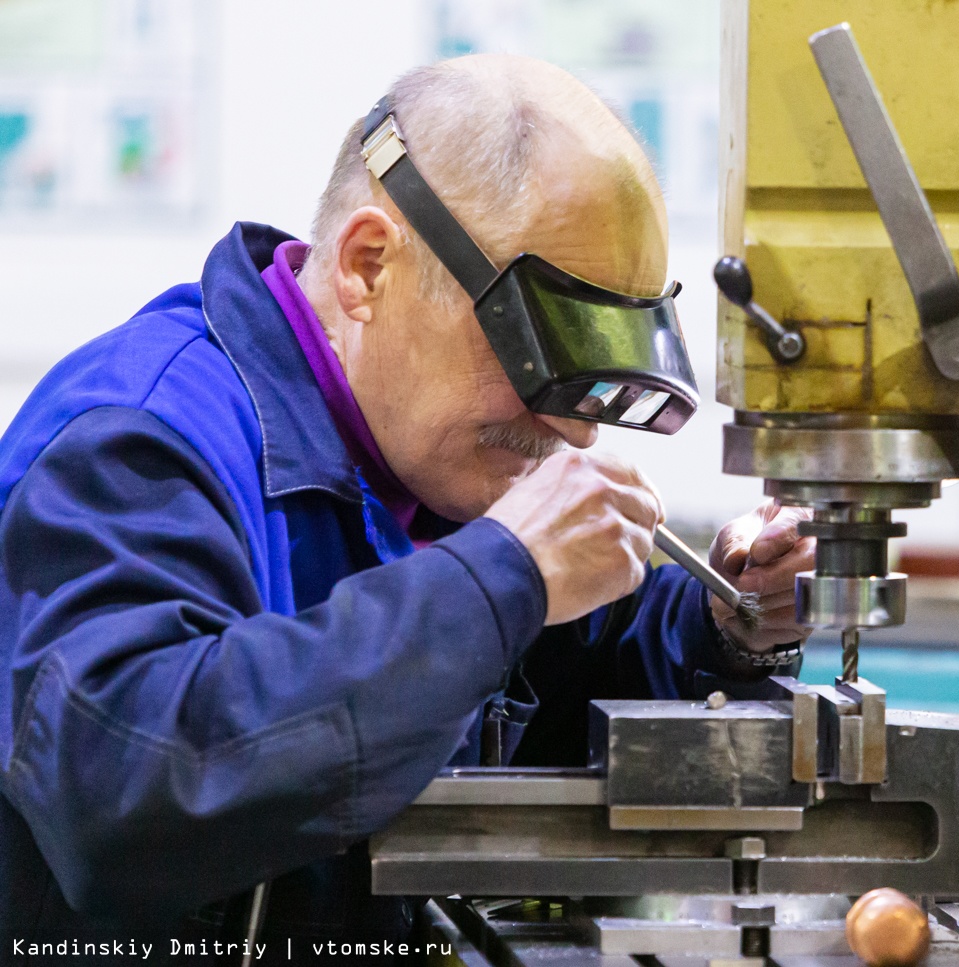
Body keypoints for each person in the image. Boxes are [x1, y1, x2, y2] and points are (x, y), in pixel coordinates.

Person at [0, 54, 814, 955]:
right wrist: (501, 577)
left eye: (593, 376)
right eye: (537, 351)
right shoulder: (138, 443)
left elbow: (558, 667)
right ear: (368, 264)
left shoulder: (424, 459)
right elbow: (122, 791)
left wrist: (719, 621)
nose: (574, 430)